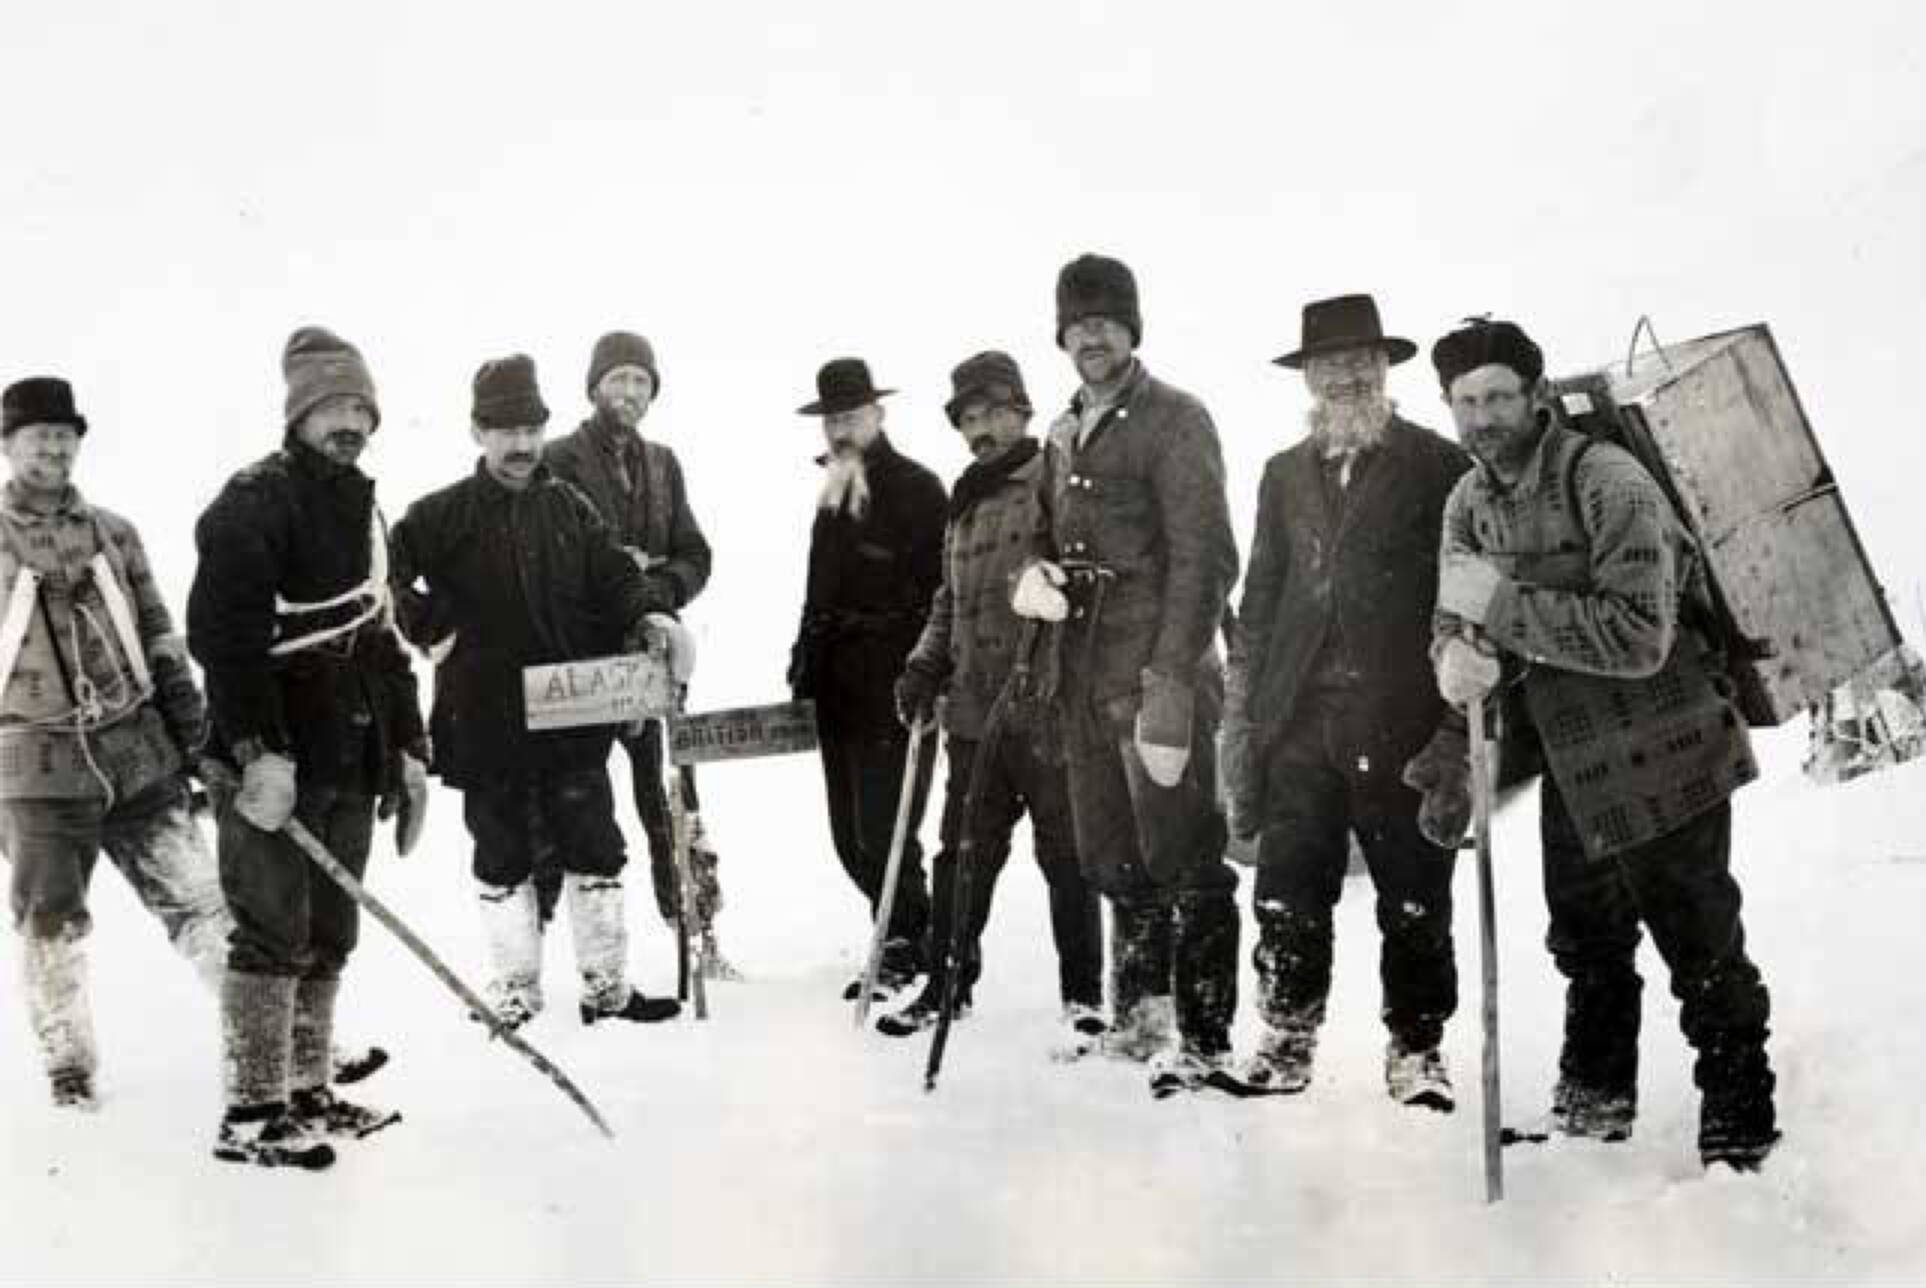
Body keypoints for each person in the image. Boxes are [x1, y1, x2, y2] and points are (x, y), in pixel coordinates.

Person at [1428, 316, 1778, 1171]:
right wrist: (1452, 656)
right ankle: (1594, 1103)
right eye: (1466, 402)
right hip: (1573, 751)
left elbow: (1639, 638)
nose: (1483, 418)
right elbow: (1454, 608)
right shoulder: (1468, 500)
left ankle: (1741, 1115)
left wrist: (1502, 610)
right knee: (1585, 935)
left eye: (1500, 396)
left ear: (1537, 397)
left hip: (1670, 740)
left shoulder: (1610, 482)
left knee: (1697, 938)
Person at [190, 327, 431, 1169]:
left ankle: (306, 1089)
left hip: (351, 752)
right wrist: (259, 750)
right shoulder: (251, 502)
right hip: (273, 760)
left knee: (330, 930)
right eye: (333, 407)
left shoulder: (366, 508)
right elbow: (220, 641)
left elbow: (384, 636)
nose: (350, 424)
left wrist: (410, 746)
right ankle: (253, 1113)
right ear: (298, 415)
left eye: (361, 410)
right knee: (270, 930)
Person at [1224, 294, 1471, 1107]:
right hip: (1298, 721)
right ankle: (1286, 1039)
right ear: (1309, 378)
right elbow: (1259, 600)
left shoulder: (1438, 466)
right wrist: (1248, 716)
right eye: (1328, 364)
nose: (1345, 376)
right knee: (1288, 890)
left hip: (1398, 717)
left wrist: (1453, 726)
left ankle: (1417, 1049)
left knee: (1412, 892)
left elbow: (1464, 595)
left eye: (1360, 362)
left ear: (1384, 368)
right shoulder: (1281, 475)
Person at [389, 354, 683, 1037]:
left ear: (544, 428)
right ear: (477, 432)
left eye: (530, 429)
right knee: (499, 849)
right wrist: (426, 624)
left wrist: (647, 619)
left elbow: (615, 578)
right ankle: (515, 990)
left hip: (569, 711)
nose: (520, 446)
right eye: (503, 431)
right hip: (483, 714)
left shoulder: (568, 507)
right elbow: (387, 570)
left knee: (595, 841)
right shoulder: (440, 515)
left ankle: (606, 988)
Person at [1011, 253, 1243, 1098]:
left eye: (1107, 321)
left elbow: (1207, 554)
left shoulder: (1175, 419)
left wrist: (1172, 675)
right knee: (1109, 854)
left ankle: (1207, 1038)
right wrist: (1030, 578)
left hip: (1154, 673)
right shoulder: (1064, 429)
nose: (1092, 336)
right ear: (1062, 335)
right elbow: (1040, 534)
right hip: (1081, 678)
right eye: (1078, 325)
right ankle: (1142, 1019)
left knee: (1185, 853)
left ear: (1132, 329)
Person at [0, 377, 223, 1111]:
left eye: (64, 434)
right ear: (8, 446)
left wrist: (195, 740)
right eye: (38, 436)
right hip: (36, 769)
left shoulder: (114, 534)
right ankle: (68, 1065)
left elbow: (161, 637)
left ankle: (266, 1031)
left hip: (139, 756)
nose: (54, 447)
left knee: (204, 903)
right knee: (49, 925)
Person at [884, 351, 1104, 1051]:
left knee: (1067, 855)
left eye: (993, 413)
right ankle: (947, 985)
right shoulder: (964, 503)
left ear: (1022, 412)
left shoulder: (1053, 476)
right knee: (961, 854)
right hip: (975, 714)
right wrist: (923, 667)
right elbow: (948, 601)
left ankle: (1083, 996)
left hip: (1044, 708)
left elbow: (1081, 570)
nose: (981, 429)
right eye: (968, 417)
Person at [545, 331, 737, 980]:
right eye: (617, 379)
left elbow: (696, 553)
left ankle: (697, 936)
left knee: (674, 802)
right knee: (572, 804)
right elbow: (545, 563)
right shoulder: (556, 459)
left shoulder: (664, 463)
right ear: (593, 387)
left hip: (657, 655)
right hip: (582, 665)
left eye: (640, 381)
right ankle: (567, 961)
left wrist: (654, 590)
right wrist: (611, 584)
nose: (628, 393)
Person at [786, 358, 946, 1002]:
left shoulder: (919, 488)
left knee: (886, 827)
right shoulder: (833, 491)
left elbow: (943, 593)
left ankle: (906, 942)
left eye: (852, 413)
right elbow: (816, 591)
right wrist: (803, 661)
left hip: (895, 683)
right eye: (832, 417)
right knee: (848, 833)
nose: (840, 427)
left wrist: (925, 672)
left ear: (879, 415)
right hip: (835, 689)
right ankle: (908, 930)